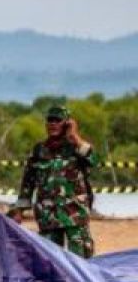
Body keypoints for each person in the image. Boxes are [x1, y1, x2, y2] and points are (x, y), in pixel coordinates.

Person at [8, 105, 98, 257]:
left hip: (75, 216)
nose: (53, 124)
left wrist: (74, 136)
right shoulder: (39, 150)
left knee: (83, 262)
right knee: (50, 263)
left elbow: (93, 160)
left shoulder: (76, 147)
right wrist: (19, 210)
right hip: (48, 217)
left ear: (67, 123)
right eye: (50, 120)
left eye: (58, 120)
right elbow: (27, 183)